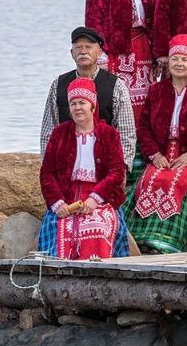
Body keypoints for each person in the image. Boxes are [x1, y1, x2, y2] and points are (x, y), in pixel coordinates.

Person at [125, 35, 187, 254]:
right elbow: (143, 127)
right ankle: (143, 239)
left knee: (178, 184)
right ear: (168, 62)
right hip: (162, 155)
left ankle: (167, 242)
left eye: (184, 59)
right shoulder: (157, 90)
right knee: (151, 180)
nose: (179, 63)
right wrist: (153, 155)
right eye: (175, 59)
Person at [38, 78, 129, 260]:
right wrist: (58, 203)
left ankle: (99, 274)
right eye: (73, 104)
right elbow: (47, 174)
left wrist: (94, 200)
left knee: (97, 226)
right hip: (66, 198)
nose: (77, 108)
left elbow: (116, 172)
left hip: (100, 199)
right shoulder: (59, 134)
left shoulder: (109, 134)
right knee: (60, 228)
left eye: (82, 103)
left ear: (92, 106)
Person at [84, 0, 158, 124]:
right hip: (114, 51)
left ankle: (142, 149)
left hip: (143, 51)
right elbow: (93, 20)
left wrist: (159, 55)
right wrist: (100, 54)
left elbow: (156, 21)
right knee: (115, 98)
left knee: (145, 101)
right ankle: (116, 144)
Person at [39, 27, 136, 168]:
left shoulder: (116, 85)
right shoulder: (58, 84)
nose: (83, 51)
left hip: (104, 163)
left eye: (88, 47)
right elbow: (48, 131)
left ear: (100, 52)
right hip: (66, 163)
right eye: (78, 47)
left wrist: (122, 168)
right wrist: (48, 167)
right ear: (72, 53)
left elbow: (126, 132)